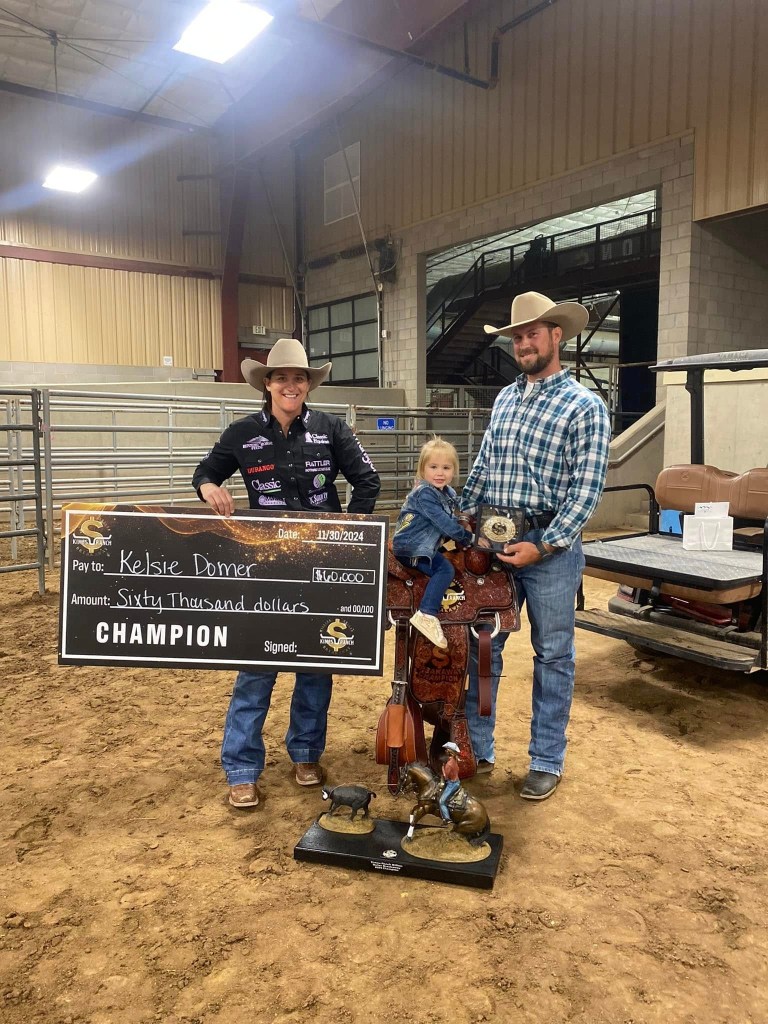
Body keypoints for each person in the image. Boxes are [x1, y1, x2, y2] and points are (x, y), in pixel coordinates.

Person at [191, 338, 380, 808]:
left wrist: (349, 533)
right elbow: (205, 471)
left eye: (299, 378)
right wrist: (209, 488)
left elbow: (367, 480)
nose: (290, 385)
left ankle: (306, 754)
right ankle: (242, 768)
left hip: (322, 563)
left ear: (308, 385)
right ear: (268, 384)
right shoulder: (241, 433)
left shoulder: (333, 429)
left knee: (316, 664)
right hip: (265, 565)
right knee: (255, 668)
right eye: (281, 378)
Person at [460, 291, 610, 801]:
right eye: (517, 337)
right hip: (493, 543)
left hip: (550, 552)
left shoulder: (585, 406)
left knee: (553, 655)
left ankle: (546, 759)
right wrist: (461, 516)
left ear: (555, 336)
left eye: (532, 334)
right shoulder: (505, 398)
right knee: (483, 648)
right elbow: (483, 467)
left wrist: (543, 546)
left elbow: (586, 490)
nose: (523, 344)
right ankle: (478, 748)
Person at [391, 437, 473, 649]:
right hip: (412, 547)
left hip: (423, 543)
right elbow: (444, 523)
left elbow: (454, 516)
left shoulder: (448, 493)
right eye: (433, 467)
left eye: (446, 468)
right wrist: (468, 538)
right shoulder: (424, 494)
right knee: (445, 570)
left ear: (454, 471)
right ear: (422, 469)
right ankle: (427, 613)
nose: (440, 473)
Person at [438, 741, 461, 824]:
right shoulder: (455, 759)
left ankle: (447, 818)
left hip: (452, 784)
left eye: (446, 750)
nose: (445, 751)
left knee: (441, 801)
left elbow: (446, 777)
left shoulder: (449, 764)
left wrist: (442, 768)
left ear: (449, 752)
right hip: (456, 781)